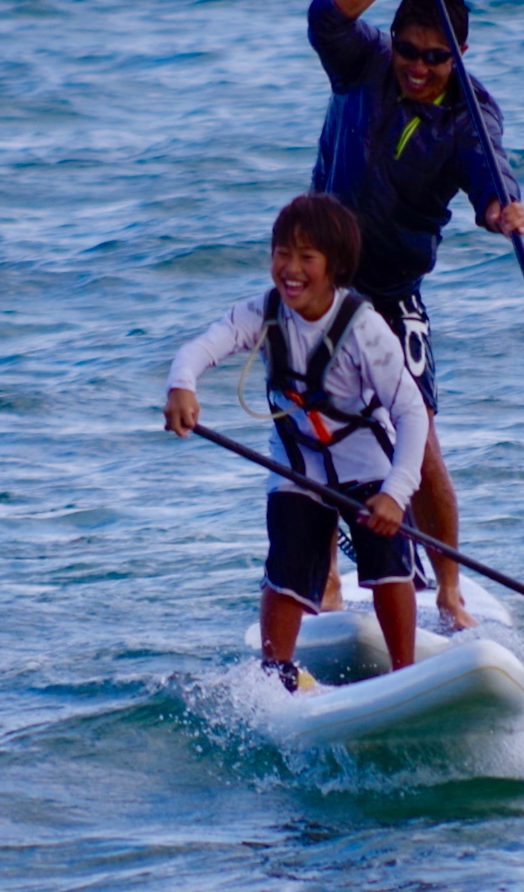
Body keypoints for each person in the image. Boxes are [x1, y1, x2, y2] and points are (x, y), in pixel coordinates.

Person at [306, 0, 524, 628]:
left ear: (457, 57)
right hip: (321, 289)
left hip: (396, 293)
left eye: (436, 58)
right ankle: (328, 587)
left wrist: (501, 212)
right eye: (409, 51)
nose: (418, 68)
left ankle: (451, 587)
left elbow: (492, 181)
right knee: (315, 431)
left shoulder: (469, 115)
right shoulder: (361, 64)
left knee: (418, 435)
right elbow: (325, 16)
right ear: (392, 41)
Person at [164, 194, 429, 689]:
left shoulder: (365, 329)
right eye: (281, 253)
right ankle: (276, 677)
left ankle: (405, 676)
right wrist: (182, 384)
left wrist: (396, 492)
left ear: (335, 267)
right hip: (296, 462)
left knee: (388, 566)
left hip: (367, 462)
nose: (290, 269)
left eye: (307, 257)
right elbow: (204, 345)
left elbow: (411, 414)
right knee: (286, 566)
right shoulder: (262, 313)